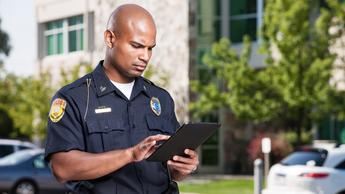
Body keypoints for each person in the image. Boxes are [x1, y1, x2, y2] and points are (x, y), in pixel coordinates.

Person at [45, 4, 199, 194]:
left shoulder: (160, 99)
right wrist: (130, 154)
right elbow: (62, 168)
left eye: (150, 48)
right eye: (136, 46)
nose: (145, 56)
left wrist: (183, 168)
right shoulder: (74, 98)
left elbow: (170, 172)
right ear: (110, 38)